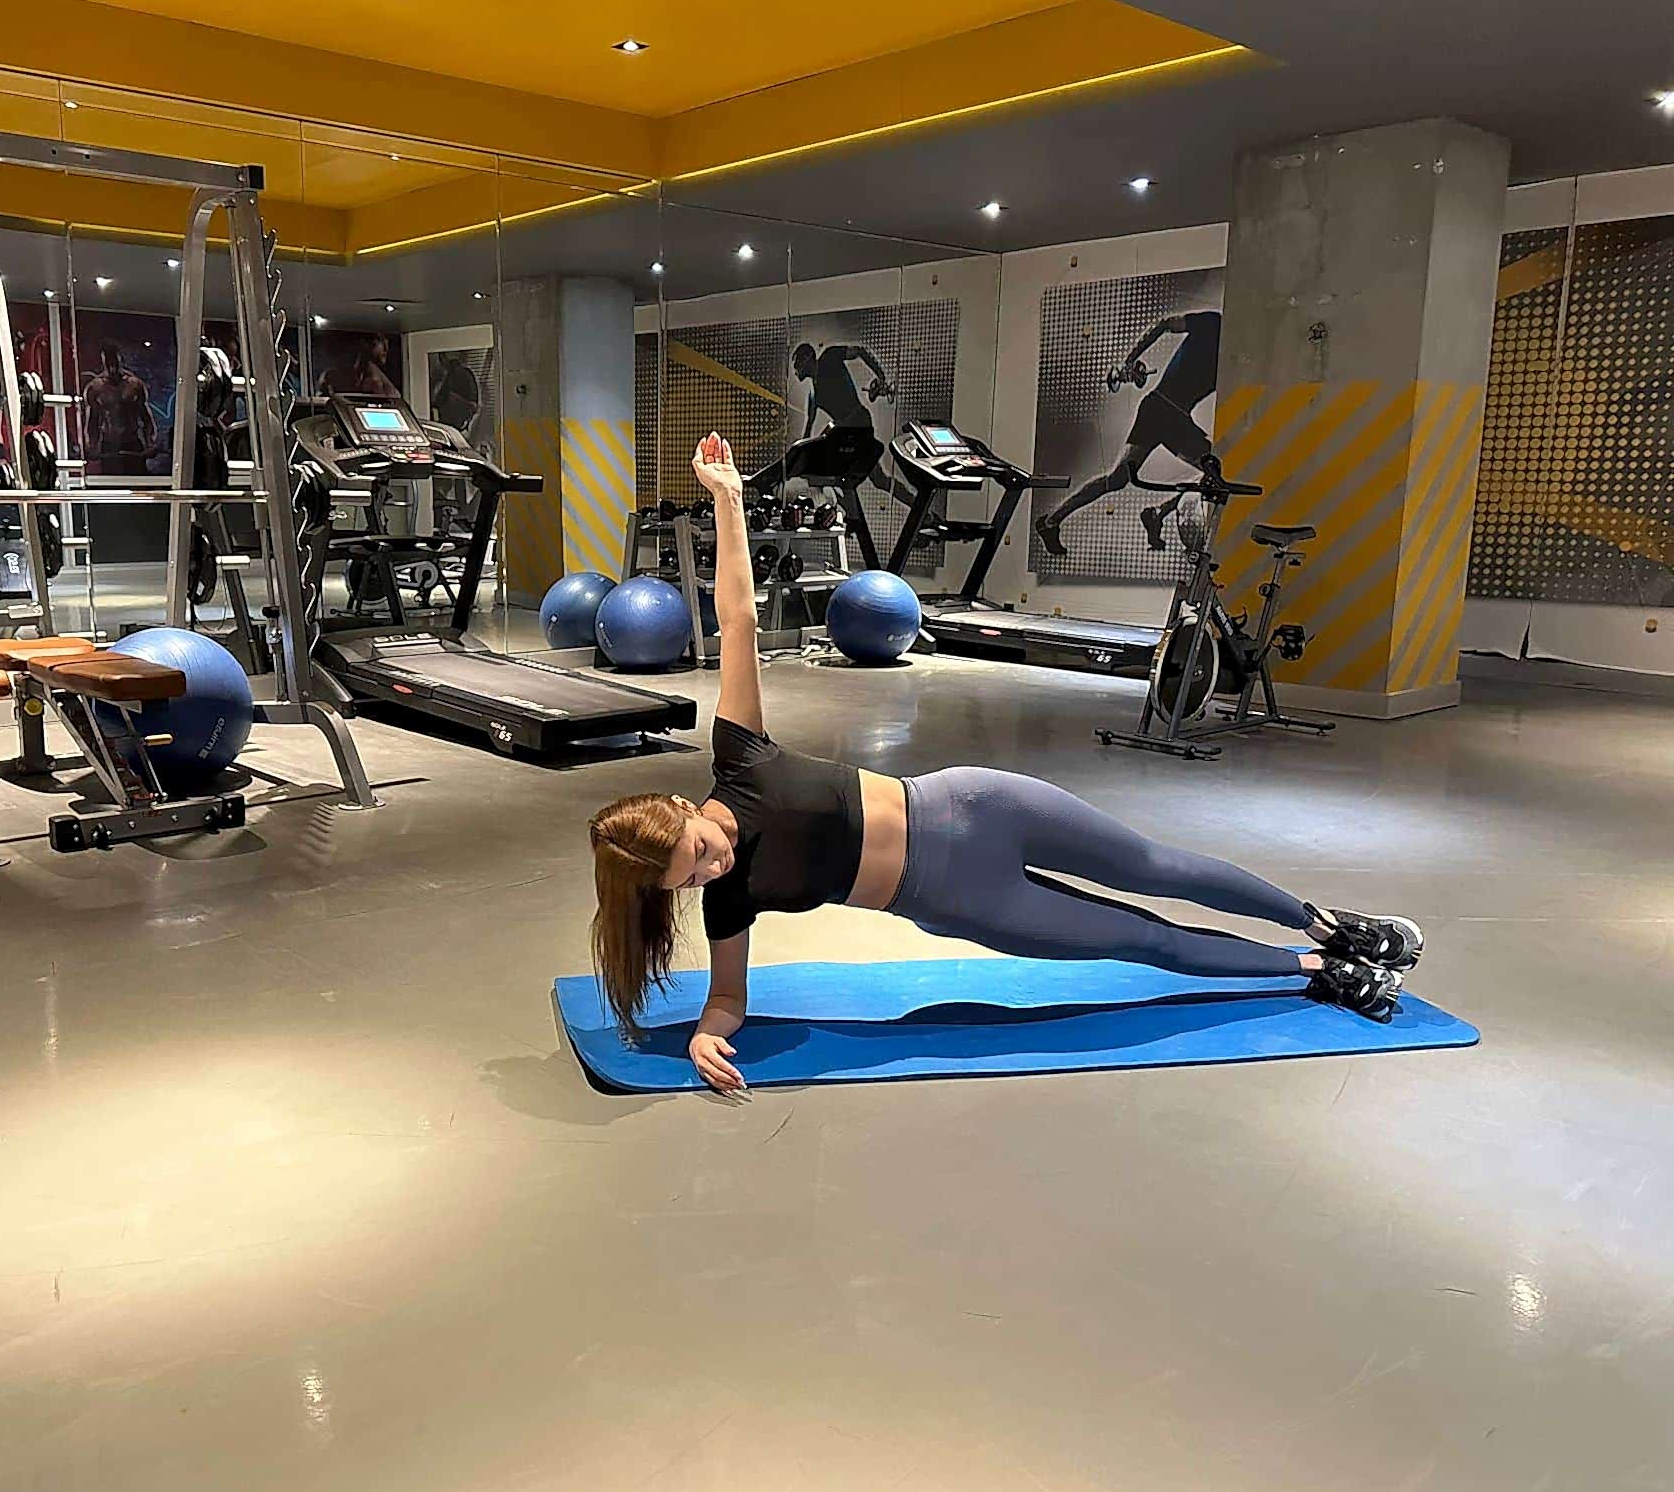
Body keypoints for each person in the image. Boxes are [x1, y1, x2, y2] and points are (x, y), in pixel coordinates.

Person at [587, 432, 1423, 1092]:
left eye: (701, 851)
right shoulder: (730, 898)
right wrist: (707, 1034)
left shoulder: (739, 761)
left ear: (687, 810)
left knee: (1157, 866)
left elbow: (737, 619)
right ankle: (1318, 971)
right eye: (692, 880)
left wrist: (729, 500)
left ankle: (1327, 923)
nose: (714, 867)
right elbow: (728, 997)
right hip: (959, 898)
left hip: (975, 805)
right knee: (1142, 939)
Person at [1036, 309, 1222, 557]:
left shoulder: (1236, 356)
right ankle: (1157, 513)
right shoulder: (1213, 323)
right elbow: (1164, 324)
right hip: (1161, 410)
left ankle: (1051, 521)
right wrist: (1129, 361)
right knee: (1215, 472)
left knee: (1117, 479)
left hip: (1168, 414)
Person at [81, 341, 157, 476]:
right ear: (103, 363)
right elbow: (92, 422)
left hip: (132, 444)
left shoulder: (134, 385)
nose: (112, 368)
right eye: (108, 364)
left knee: (137, 483)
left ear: (120, 360)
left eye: (114, 363)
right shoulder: (95, 388)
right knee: (112, 484)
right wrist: (91, 446)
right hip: (109, 446)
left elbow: (146, 418)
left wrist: (150, 444)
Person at [793, 341, 893, 439]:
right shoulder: (812, 396)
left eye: (796, 364)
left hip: (859, 421)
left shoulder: (829, 357)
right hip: (844, 428)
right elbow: (808, 431)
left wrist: (880, 376)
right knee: (826, 435)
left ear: (807, 357)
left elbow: (859, 351)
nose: (795, 371)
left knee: (830, 433)